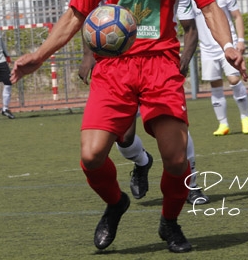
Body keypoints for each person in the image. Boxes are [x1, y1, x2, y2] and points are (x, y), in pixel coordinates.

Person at [11, 0, 247, 253]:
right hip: (115, 69)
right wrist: (39, 54)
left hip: (160, 65)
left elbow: (207, 6)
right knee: (90, 156)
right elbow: (75, 14)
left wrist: (229, 45)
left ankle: (169, 223)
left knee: (175, 159)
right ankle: (115, 203)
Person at [78, 17, 211, 205]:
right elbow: (87, 18)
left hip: (157, 68)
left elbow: (190, 27)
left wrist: (183, 61)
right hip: (119, 70)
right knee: (125, 138)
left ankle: (192, 186)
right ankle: (142, 161)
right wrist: (88, 55)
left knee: (175, 131)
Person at [177, 0, 248, 136]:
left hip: (227, 46)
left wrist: (240, 40)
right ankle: (223, 124)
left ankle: (245, 117)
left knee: (234, 80)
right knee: (215, 85)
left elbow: (237, 17)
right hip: (206, 48)